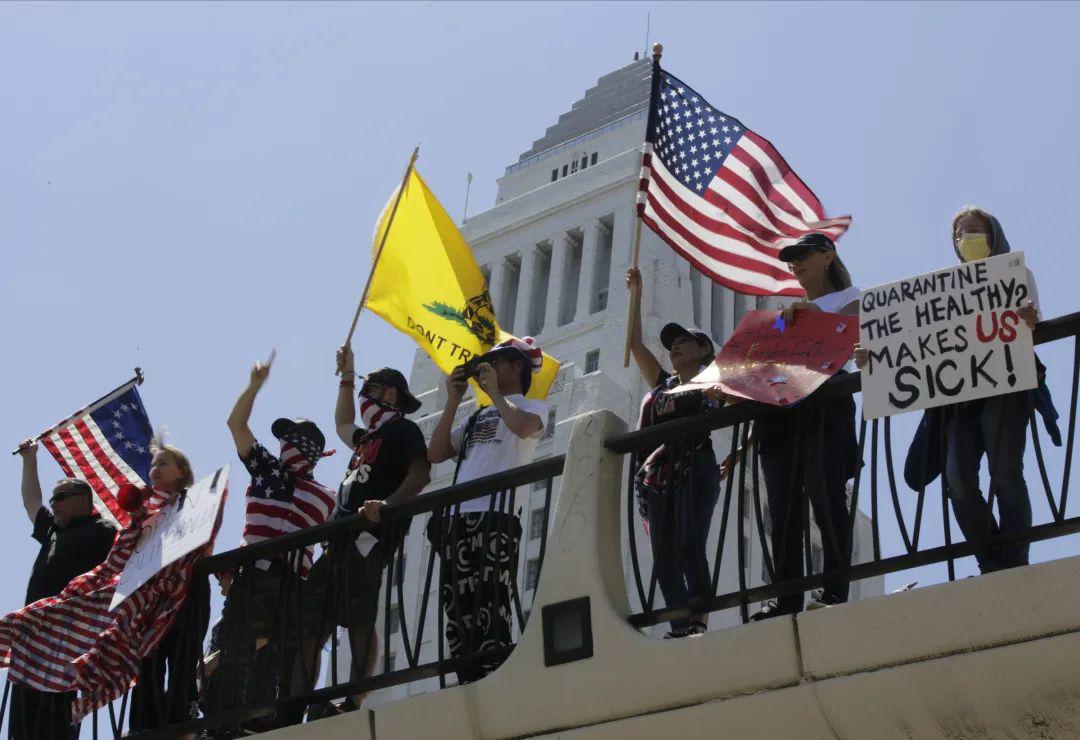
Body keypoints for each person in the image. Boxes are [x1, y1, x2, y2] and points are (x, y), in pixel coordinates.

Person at [893, 207, 1050, 574]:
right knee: (958, 481)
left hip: (1005, 388)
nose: (967, 239)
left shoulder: (1017, 274)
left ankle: (1015, 563)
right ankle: (991, 562)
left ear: (993, 235)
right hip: (959, 399)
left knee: (1005, 472)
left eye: (975, 230)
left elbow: (1032, 323)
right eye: (960, 234)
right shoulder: (943, 290)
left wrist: (1031, 320)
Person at [288, 346, 430, 719]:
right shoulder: (367, 439)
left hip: (370, 537)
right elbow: (342, 423)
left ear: (390, 394)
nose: (366, 394)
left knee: (360, 616)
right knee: (310, 623)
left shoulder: (403, 429)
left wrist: (387, 506)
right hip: (337, 540)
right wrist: (347, 379)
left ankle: (353, 702)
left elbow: (420, 474)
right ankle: (293, 703)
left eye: (372, 387)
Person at [206, 357, 336, 729]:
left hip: (292, 582)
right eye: (284, 440)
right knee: (236, 649)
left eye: (292, 441)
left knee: (279, 652)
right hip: (258, 573)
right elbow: (236, 425)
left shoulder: (325, 496)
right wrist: (254, 386)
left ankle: (271, 722)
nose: (285, 446)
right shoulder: (266, 470)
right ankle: (223, 724)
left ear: (308, 450)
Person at [751, 232, 860, 620]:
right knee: (782, 507)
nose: (795, 265)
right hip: (782, 412)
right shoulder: (786, 314)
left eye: (803, 256)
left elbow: (855, 342)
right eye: (791, 259)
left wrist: (815, 318)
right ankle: (786, 597)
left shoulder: (851, 298)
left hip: (825, 403)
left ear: (827, 256)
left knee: (826, 497)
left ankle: (833, 591)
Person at [426, 336, 547, 682]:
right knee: (457, 598)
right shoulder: (476, 416)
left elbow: (524, 428)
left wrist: (496, 395)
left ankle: (495, 667)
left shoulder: (533, 406)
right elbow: (435, 453)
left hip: (498, 515)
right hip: (458, 518)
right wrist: (452, 400)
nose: (489, 369)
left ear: (516, 367)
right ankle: (466, 670)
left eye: (497, 363)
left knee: (491, 595)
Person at [625, 266, 722, 638]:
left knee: (689, 543)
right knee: (664, 553)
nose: (675, 346)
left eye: (684, 341)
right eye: (671, 343)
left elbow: (720, 412)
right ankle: (679, 621)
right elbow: (635, 346)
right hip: (657, 476)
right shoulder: (662, 385)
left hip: (695, 466)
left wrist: (717, 398)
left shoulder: (712, 382)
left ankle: (699, 617)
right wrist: (637, 294)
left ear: (703, 350)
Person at [7, 441, 116, 740]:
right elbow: (32, 502)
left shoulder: (103, 530)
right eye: (54, 499)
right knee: (23, 716)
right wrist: (30, 460)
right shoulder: (54, 530)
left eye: (62, 497)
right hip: (32, 632)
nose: (54, 504)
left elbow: (121, 565)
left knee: (55, 713)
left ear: (84, 500)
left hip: (66, 635)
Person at [129, 443, 211, 734]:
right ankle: (144, 728)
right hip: (154, 597)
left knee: (182, 658)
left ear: (182, 471)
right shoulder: (147, 514)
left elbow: (203, 542)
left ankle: (182, 724)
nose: (155, 470)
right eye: (153, 465)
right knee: (148, 661)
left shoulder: (199, 501)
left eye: (163, 463)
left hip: (188, 591)